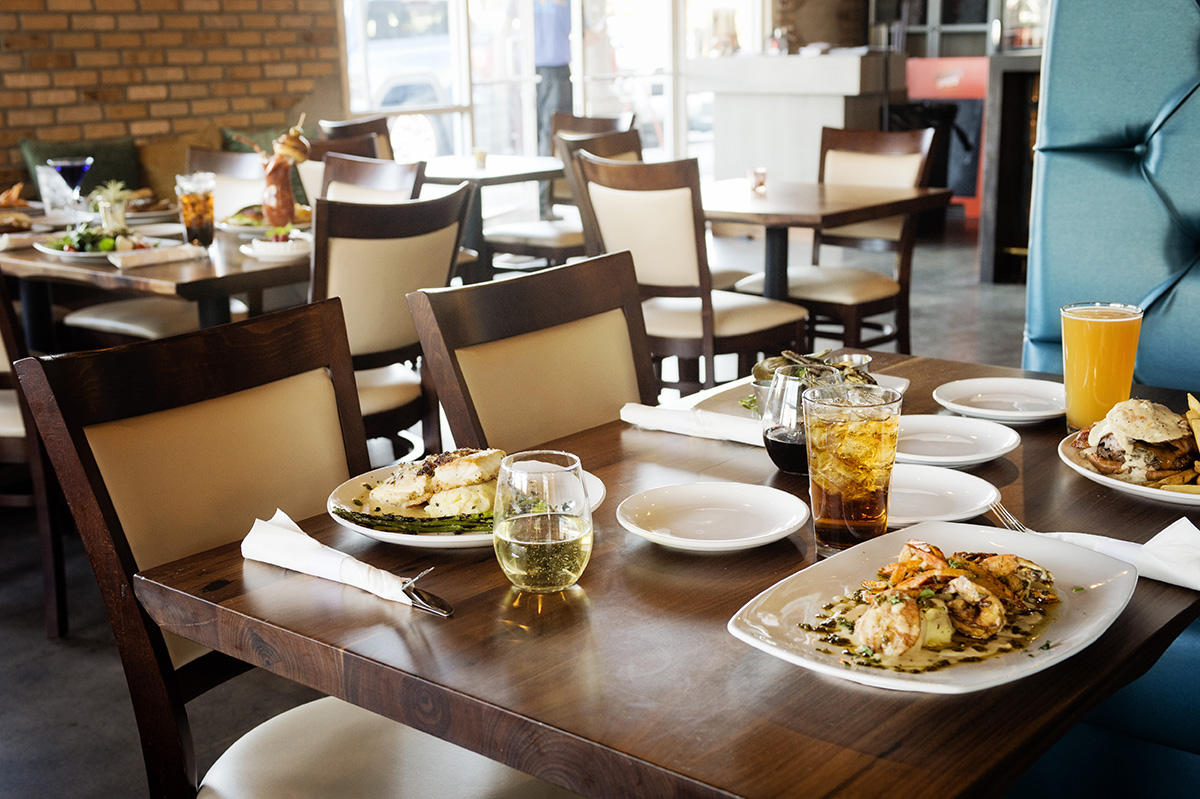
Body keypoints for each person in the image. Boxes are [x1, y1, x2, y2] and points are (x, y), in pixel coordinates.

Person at [535, 0, 572, 218]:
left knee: (548, 138)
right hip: (552, 74)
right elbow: (587, 36)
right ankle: (544, 204)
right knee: (551, 138)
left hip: (540, 72)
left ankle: (544, 204)